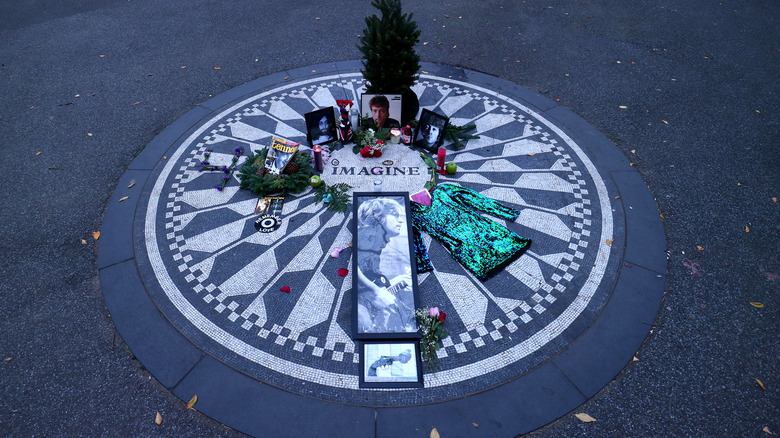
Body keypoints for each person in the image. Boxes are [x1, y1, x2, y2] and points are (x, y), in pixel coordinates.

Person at [355, 198, 414, 333]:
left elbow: (369, 275)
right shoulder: (368, 233)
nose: (401, 221)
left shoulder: (378, 237)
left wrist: (397, 282)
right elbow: (354, 265)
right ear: (378, 216)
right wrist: (376, 292)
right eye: (394, 214)